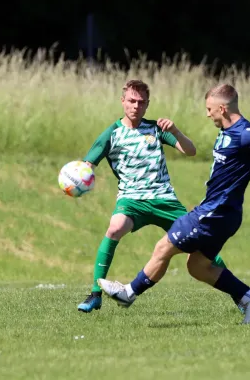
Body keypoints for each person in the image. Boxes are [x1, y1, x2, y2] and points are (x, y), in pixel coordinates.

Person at [98, 83, 250, 324]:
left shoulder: (247, 134)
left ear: (222, 109)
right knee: (198, 266)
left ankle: (128, 293)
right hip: (222, 214)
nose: (207, 114)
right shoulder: (226, 131)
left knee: (164, 247)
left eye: (210, 109)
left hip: (216, 212)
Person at [77, 79, 234, 314]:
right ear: (123, 101)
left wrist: (175, 130)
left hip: (165, 200)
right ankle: (95, 294)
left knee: (202, 245)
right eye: (131, 101)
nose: (136, 106)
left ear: (147, 104)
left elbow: (190, 151)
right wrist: (76, 178)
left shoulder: (156, 129)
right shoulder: (112, 134)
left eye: (141, 102)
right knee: (114, 227)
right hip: (132, 200)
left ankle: (239, 295)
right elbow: (87, 165)